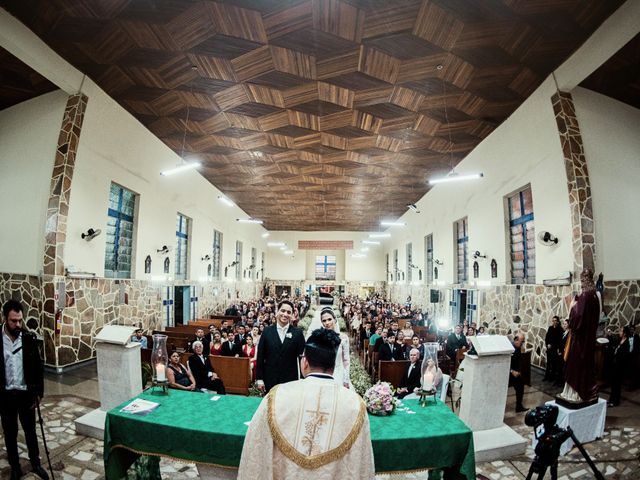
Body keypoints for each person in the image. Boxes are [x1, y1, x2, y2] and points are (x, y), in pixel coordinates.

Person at [238, 329, 375, 479]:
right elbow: (361, 463)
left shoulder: (277, 396)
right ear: (333, 366)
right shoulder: (355, 404)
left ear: (305, 363)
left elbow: (256, 452)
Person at [0, 300, 49, 480]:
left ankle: (35, 463)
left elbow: (38, 368)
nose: (18, 324)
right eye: (14, 321)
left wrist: (38, 394)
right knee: (10, 433)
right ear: (4, 318)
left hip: (25, 395)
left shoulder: (28, 338)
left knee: (30, 431)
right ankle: (15, 467)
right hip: (5, 396)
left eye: (20, 320)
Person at [560, 269, 601, 404]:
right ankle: (589, 391)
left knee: (575, 366)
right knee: (586, 366)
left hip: (580, 341)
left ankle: (576, 394)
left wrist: (572, 307)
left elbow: (577, 320)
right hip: (589, 339)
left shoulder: (585, 297)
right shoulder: (595, 296)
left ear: (583, 281)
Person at [255, 300, 305, 392]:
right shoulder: (267, 331)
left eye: (288, 312)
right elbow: (260, 356)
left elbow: (302, 357)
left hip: (290, 380)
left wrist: (302, 378)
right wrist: (259, 378)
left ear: (292, 315)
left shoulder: (298, 333)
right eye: (283, 311)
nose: (285, 314)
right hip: (270, 378)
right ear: (277, 311)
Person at [319, 308, 351, 388]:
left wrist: (346, 379)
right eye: (324, 320)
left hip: (338, 374)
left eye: (329, 319)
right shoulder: (319, 338)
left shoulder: (343, 338)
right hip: (323, 375)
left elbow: (346, 360)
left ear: (335, 320)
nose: (327, 323)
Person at [609, 326, 631, 407]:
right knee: (613, 383)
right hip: (615, 365)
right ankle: (611, 399)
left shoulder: (626, 343)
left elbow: (625, 356)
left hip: (620, 367)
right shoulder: (619, 340)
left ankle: (615, 401)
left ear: (625, 333)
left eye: (621, 331)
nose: (619, 332)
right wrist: (610, 336)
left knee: (617, 384)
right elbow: (613, 345)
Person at [510, 335, 526, 413]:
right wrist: (512, 371)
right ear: (516, 340)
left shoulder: (518, 348)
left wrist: (519, 371)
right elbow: (506, 361)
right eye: (521, 341)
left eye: (523, 341)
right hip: (509, 372)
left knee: (520, 387)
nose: (522, 343)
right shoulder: (510, 348)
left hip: (516, 373)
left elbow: (519, 360)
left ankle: (519, 406)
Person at [544, 316, 563, 382]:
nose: (554, 322)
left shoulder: (560, 329)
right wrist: (547, 344)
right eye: (553, 320)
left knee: (554, 365)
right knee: (548, 364)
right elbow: (547, 338)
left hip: (555, 350)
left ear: (557, 321)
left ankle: (552, 378)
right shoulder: (550, 328)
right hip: (549, 349)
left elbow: (559, 341)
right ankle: (546, 377)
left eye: (555, 320)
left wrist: (552, 345)